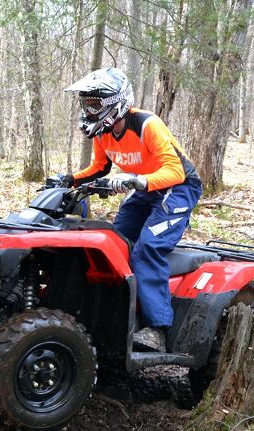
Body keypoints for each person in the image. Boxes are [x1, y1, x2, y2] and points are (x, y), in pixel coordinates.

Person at [62, 67, 202, 351]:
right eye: (85, 103)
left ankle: (157, 328)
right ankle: (117, 315)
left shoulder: (148, 124)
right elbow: (100, 167)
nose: (89, 109)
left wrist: (136, 180)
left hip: (177, 188)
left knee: (148, 247)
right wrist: (71, 179)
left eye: (94, 104)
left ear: (116, 103)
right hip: (143, 188)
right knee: (114, 243)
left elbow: (175, 170)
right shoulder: (102, 132)